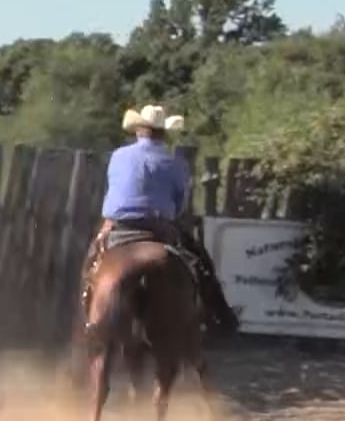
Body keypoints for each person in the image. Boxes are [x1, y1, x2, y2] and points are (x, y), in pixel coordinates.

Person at [79, 104, 237, 333]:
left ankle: (88, 316)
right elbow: (180, 202)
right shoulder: (175, 163)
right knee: (200, 263)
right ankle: (219, 317)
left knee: (91, 264)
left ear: (138, 130)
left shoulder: (118, 156)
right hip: (159, 227)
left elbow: (115, 191)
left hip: (120, 225)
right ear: (164, 133)